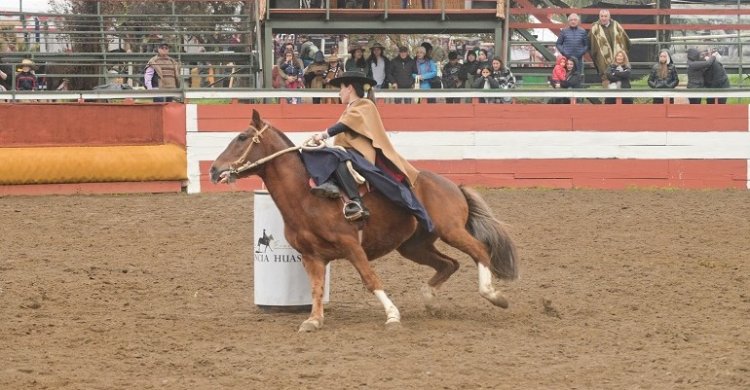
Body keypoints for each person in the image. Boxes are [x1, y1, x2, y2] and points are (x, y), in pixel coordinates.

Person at [302, 71, 433, 230]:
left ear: (349, 88)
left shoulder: (364, 105)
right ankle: (329, 184)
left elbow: (346, 124)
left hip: (359, 155)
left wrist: (324, 134)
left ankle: (355, 202)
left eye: (341, 88)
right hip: (348, 152)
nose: (339, 92)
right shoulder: (352, 107)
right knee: (316, 152)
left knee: (335, 154)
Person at [589, 9, 630, 88]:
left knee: (622, 92)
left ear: (609, 17)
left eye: (605, 16)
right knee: (608, 92)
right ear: (599, 17)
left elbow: (626, 41)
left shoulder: (616, 25)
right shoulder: (595, 28)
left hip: (619, 65)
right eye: (602, 16)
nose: (603, 18)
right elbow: (591, 45)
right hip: (604, 65)